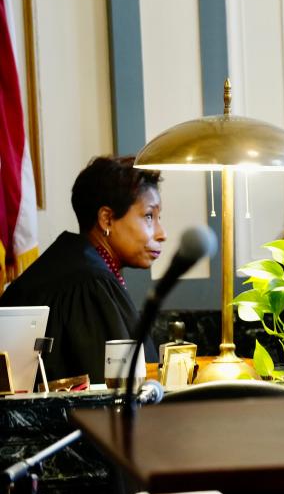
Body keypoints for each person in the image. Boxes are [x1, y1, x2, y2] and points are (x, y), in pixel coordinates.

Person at [0, 156, 166, 384]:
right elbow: (113, 396)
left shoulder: (70, 264)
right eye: (149, 216)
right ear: (107, 219)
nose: (161, 233)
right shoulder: (89, 285)